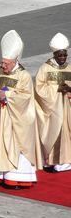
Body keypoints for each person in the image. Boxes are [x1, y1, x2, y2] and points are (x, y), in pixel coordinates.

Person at [0, 30, 41, 188]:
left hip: (13, 121)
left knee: (13, 146)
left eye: (6, 64)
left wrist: (9, 95)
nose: (3, 66)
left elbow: (26, 96)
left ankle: (16, 177)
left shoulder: (24, 76)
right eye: (2, 62)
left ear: (15, 61)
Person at [36, 33, 70, 171]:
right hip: (52, 109)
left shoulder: (69, 67)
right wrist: (56, 88)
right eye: (59, 55)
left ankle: (65, 160)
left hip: (67, 107)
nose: (62, 58)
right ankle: (53, 160)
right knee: (55, 131)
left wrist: (69, 89)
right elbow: (39, 87)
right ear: (54, 55)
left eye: (64, 55)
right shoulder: (45, 68)